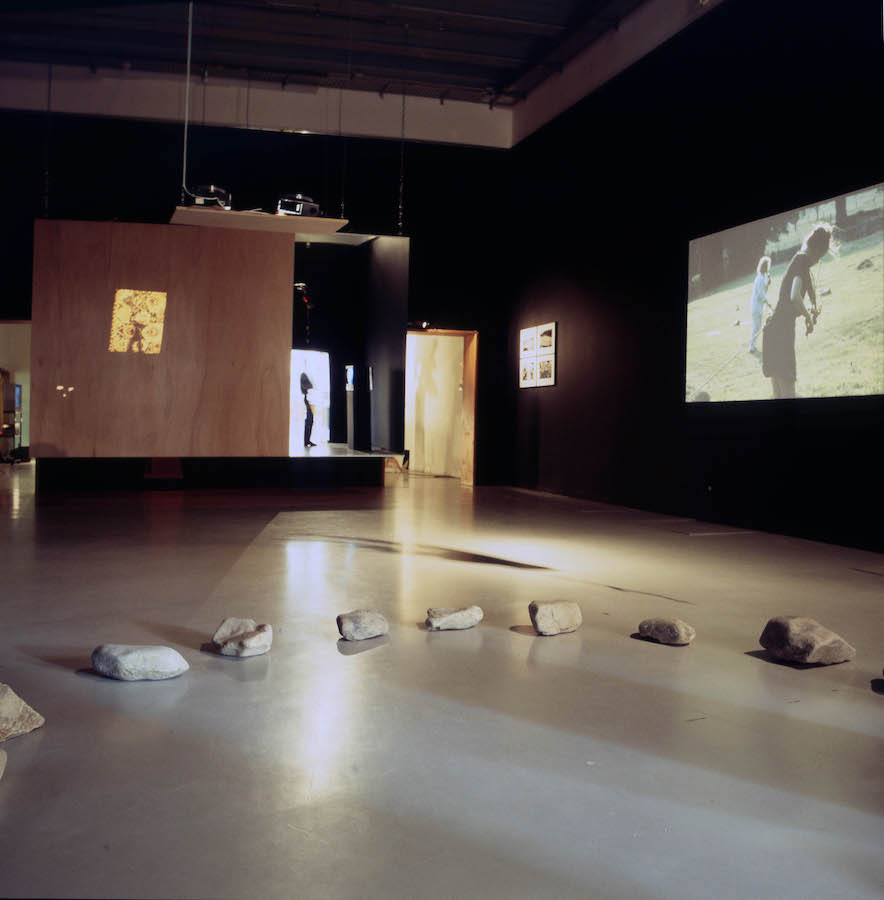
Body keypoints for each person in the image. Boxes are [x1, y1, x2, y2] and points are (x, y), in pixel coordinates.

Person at [761, 224, 832, 398]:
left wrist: (806, 311)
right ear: (816, 251)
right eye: (820, 257)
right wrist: (808, 316)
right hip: (782, 334)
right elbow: (794, 296)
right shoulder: (801, 262)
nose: (817, 262)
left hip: (773, 330)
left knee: (778, 394)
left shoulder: (797, 260)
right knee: (788, 394)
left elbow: (789, 301)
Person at [748, 256, 772, 353]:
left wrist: (768, 284)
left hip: (759, 306)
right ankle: (751, 347)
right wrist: (769, 303)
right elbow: (762, 294)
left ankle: (752, 346)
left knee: (757, 327)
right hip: (756, 306)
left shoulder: (763, 277)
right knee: (756, 327)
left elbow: (764, 290)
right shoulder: (760, 278)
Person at [300, 372, 316, 447]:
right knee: (309, 422)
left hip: (308, 403)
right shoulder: (308, 389)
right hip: (309, 404)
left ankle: (307, 440)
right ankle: (307, 441)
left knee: (309, 422)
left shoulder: (304, 389)